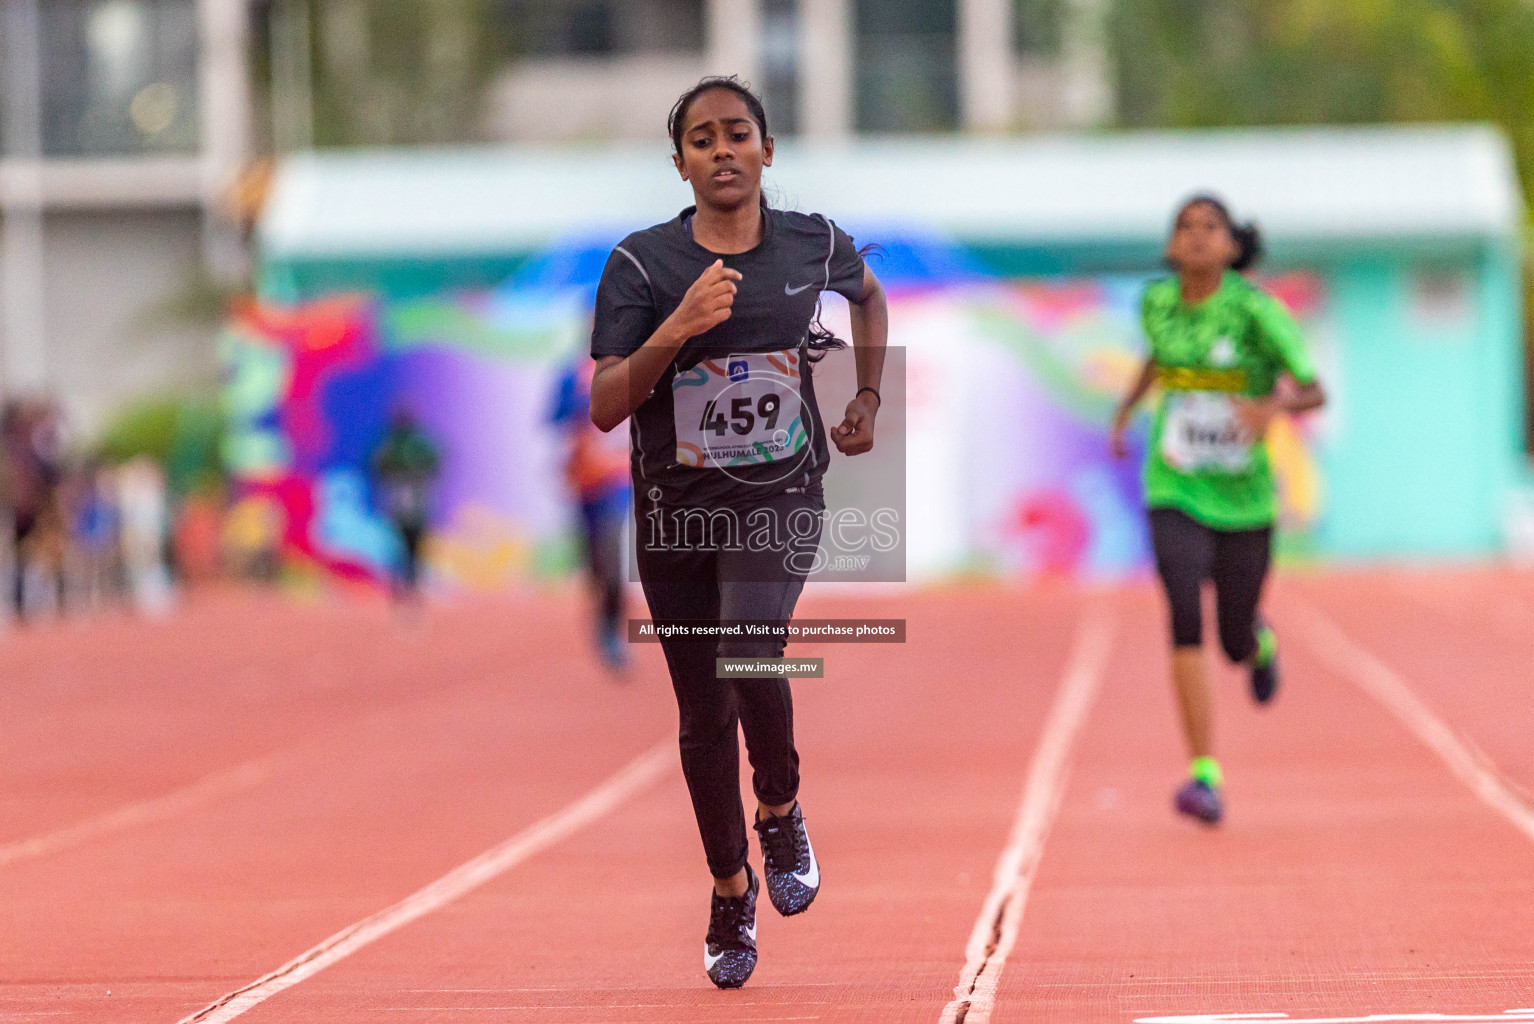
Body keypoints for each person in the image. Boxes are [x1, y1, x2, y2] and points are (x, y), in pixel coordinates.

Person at [589, 76, 887, 988]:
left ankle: (782, 806)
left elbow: (869, 301)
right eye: (703, 139)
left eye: (738, 134)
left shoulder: (813, 242)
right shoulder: (641, 267)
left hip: (781, 493)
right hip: (676, 515)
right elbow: (605, 405)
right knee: (701, 712)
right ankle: (728, 888)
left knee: (752, 648)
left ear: (767, 150)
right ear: (679, 163)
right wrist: (676, 329)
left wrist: (867, 395)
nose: (722, 150)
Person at [1110, 195, 1326, 826]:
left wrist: (1271, 409)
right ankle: (1203, 775)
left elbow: (1314, 388)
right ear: (1171, 245)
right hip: (1174, 484)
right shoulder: (1154, 302)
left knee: (1231, 636)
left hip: (1245, 499)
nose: (1198, 236)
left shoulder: (1256, 311)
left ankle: (1257, 644)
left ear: (1234, 246)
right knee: (1181, 609)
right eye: (1185, 226)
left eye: (1212, 227)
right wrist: (1128, 407)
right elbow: (1161, 357)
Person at [549, 355, 633, 670]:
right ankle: (603, 618)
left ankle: (612, 627)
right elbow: (559, 422)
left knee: (611, 555)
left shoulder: (639, 365)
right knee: (595, 561)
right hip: (586, 483)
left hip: (618, 480)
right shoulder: (572, 374)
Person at [370, 408, 441, 599]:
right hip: (403, 503)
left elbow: (435, 464)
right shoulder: (392, 445)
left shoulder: (399, 445)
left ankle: (408, 586)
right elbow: (376, 466)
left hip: (411, 504)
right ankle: (402, 586)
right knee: (402, 547)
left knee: (410, 548)